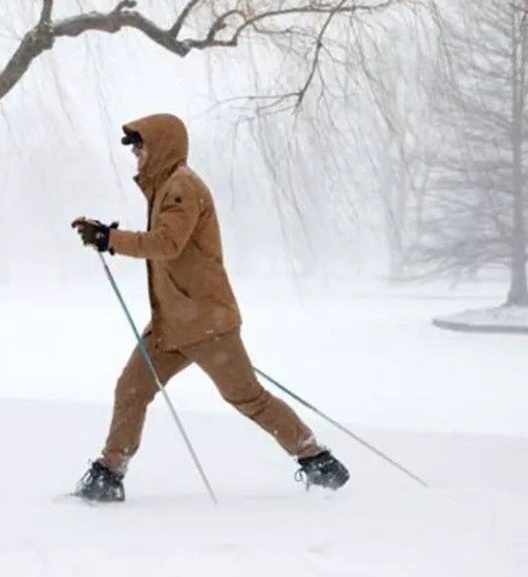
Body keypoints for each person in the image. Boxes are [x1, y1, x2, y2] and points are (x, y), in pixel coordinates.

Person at [69, 113, 350, 502]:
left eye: (140, 144)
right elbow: (161, 244)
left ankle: (317, 460)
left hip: (204, 323)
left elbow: (168, 243)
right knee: (131, 389)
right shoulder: (165, 187)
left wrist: (110, 238)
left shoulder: (182, 187)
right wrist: (108, 237)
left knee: (247, 398)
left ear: (162, 145)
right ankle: (108, 474)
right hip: (170, 324)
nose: (134, 152)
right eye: (133, 146)